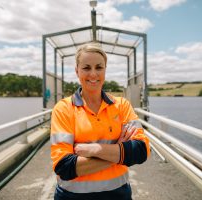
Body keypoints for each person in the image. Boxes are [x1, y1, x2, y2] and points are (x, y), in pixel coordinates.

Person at [50, 42, 150, 200]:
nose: (93, 74)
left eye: (99, 67)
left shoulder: (121, 106)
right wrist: (120, 151)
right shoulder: (64, 109)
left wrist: (94, 149)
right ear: (77, 71)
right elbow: (64, 167)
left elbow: (140, 151)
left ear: (105, 70)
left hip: (118, 195)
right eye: (86, 68)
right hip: (72, 196)